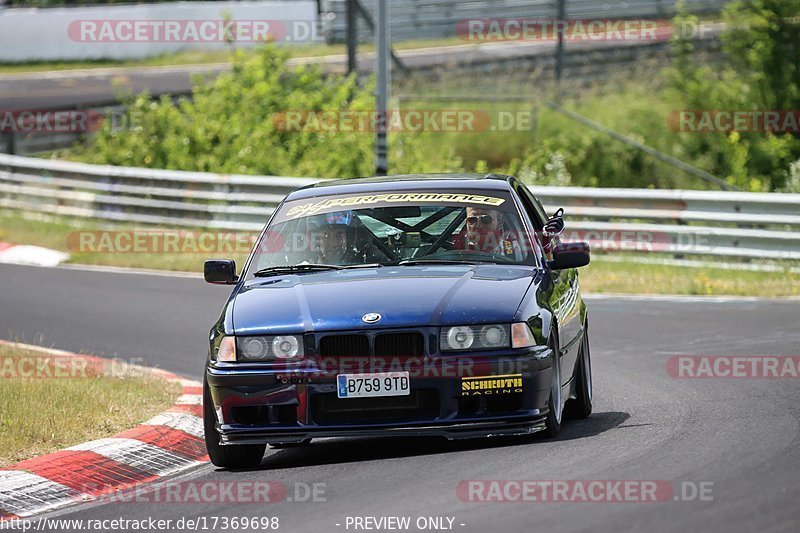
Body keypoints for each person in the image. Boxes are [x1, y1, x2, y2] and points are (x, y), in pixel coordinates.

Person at [453, 207, 523, 261]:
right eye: (472, 220)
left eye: (486, 219)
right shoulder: (454, 247)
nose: (478, 225)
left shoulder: (512, 250)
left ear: (499, 221)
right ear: (466, 223)